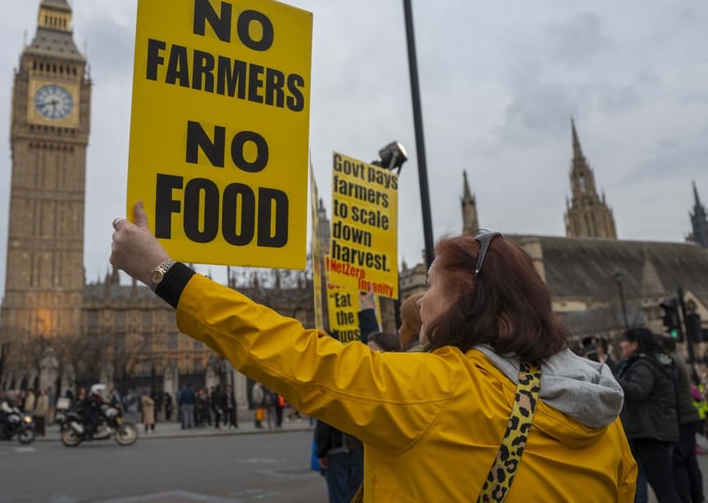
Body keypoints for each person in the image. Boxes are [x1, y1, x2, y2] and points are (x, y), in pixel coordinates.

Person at [111, 203, 636, 500]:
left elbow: (294, 354)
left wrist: (164, 273)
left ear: (467, 302)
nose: (417, 301)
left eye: (429, 285)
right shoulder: (601, 411)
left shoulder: (438, 390)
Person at [616, 327, 680, 503]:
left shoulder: (643, 366)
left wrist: (610, 379)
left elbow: (638, 391)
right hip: (652, 431)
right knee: (662, 485)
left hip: (652, 433)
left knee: (664, 487)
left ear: (635, 344)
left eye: (624, 341)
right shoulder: (650, 362)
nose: (621, 345)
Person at [659, 334, 705, 503]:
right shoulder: (678, 357)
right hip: (689, 415)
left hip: (683, 416)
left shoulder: (671, 361)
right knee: (690, 459)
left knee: (679, 460)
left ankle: (687, 496)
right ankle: (697, 496)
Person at [315, 419, 363, 503]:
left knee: (338, 495)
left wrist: (321, 452)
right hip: (358, 449)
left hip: (336, 450)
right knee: (356, 494)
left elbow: (324, 424)